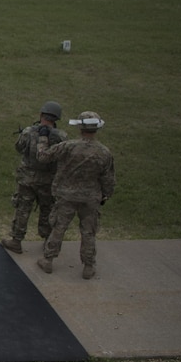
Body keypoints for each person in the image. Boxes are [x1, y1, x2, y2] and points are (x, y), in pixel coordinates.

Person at [37, 111, 116, 279]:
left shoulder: (68, 146)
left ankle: (48, 260)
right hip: (90, 198)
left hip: (66, 195)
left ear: (80, 127)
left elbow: (43, 157)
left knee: (59, 227)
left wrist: (42, 139)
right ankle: (88, 266)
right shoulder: (104, 152)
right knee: (88, 232)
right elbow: (108, 180)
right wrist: (105, 196)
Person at [1, 101, 68, 254]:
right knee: (48, 210)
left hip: (27, 178)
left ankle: (16, 240)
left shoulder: (28, 131)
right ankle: (47, 242)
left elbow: (19, 148)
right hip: (48, 180)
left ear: (41, 114)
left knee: (23, 209)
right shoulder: (62, 136)